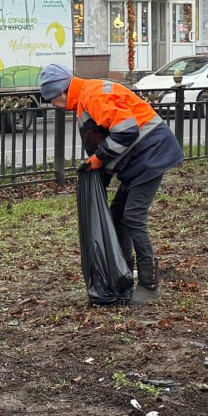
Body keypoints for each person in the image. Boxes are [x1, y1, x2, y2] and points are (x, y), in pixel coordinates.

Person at [40, 63, 184, 289]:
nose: (55, 106)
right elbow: (105, 138)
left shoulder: (93, 96)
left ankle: (148, 280)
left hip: (152, 153)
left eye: (52, 101)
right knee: (118, 214)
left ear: (61, 92)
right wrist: (98, 173)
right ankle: (122, 273)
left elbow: (126, 131)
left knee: (133, 216)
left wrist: (98, 159)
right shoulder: (85, 98)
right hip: (141, 157)